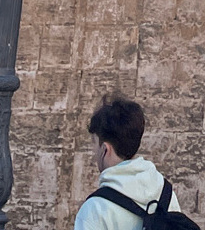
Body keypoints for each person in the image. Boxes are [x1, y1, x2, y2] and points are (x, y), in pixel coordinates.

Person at [76, 98, 195, 230]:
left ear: (105, 149)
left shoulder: (95, 209)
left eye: (94, 143)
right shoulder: (166, 194)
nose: (94, 152)